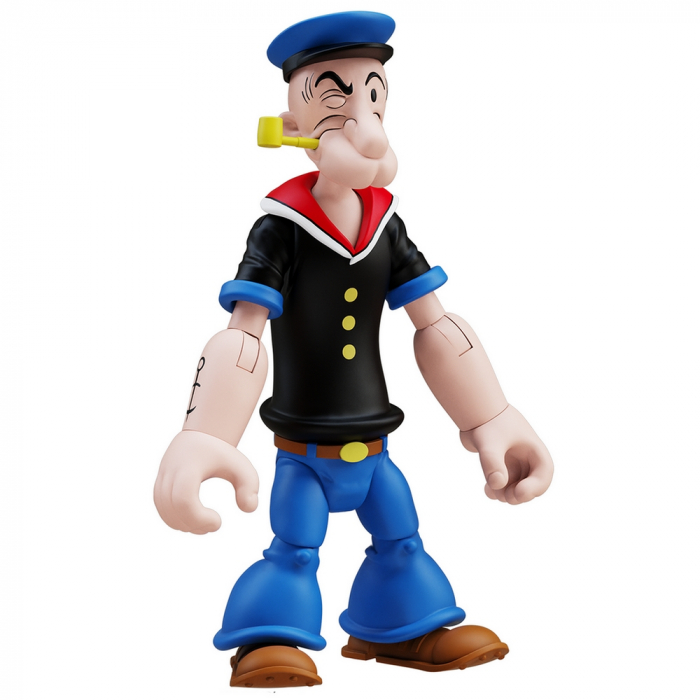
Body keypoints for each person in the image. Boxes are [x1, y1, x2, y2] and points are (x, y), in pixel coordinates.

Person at [154, 11, 554, 689]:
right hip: (303, 449)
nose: (363, 117)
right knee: (294, 547)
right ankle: (268, 639)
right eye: (336, 97)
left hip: (374, 446)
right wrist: (205, 435)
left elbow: (435, 325)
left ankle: (401, 629)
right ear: (293, 120)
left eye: (373, 94)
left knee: (401, 536)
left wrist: (492, 415)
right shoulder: (281, 228)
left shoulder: (386, 224)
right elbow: (244, 336)